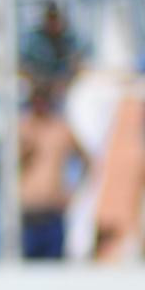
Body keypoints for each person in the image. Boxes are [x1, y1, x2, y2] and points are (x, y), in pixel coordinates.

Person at [19, 82, 89, 259]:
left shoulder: (60, 129)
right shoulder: (23, 128)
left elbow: (87, 161)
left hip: (53, 213)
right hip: (26, 214)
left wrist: (73, 193)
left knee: (53, 271)